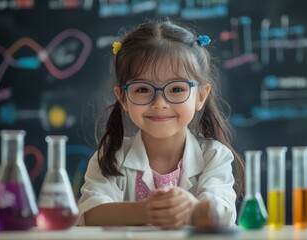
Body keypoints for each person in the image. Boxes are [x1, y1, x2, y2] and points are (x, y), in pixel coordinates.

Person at [77, 18, 245, 230]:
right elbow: (90, 214)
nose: (159, 103)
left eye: (176, 89)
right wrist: (147, 210)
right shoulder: (111, 156)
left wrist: (190, 210)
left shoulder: (215, 155)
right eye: (142, 89)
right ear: (122, 98)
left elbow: (222, 214)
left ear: (201, 96)